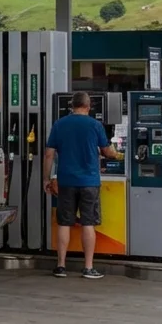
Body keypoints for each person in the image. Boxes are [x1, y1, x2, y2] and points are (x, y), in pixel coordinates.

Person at [43, 91, 122, 279]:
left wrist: (47, 179)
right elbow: (107, 152)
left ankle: (61, 266)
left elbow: (49, 154)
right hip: (89, 182)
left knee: (64, 223)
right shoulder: (95, 125)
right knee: (88, 223)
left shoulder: (59, 124)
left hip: (66, 181)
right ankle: (88, 267)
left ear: (72, 105)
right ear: (89, 106)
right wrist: (118, 154)